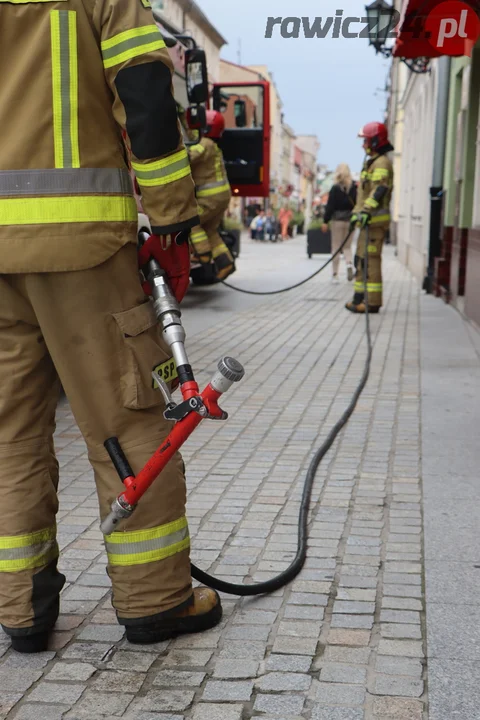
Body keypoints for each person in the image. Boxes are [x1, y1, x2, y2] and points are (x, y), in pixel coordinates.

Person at [0, 0, 221, 653]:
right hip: (83, 248)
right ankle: (155, 598)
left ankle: (20, 607)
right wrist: (174, 213)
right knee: (126, 421)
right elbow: (146, 94)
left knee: (11, 436)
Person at [346, 122, 394, 314]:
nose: (363, 145)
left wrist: (365, 211)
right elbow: (364, 194)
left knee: (370, 261)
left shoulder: (381, 163)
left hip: (375, 222)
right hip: (367, 223)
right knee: (361, 259)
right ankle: (359, 298)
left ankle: (372, 303)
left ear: (375, 140)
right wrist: (356, 215)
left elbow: (379, 190)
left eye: (365, 140)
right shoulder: (372, 163)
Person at [186, 111, 235, 280]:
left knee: (191, 221)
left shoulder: (205, 144)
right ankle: (226, 263)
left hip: (210, 197)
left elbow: (190, 156)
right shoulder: (214, 146)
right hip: (221, 197)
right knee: (210, 230)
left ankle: (203, 254)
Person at [322, 164, 357, 283]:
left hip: (337, 221)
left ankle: (335, 275)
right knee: (347, 247)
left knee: (336, 247)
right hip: (350, 221)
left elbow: (330, 206)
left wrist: (325, 221)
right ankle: (349, 264)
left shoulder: (335, 188)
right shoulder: (354, 188)